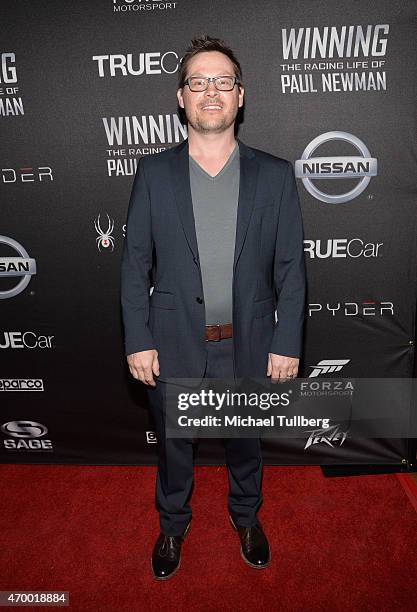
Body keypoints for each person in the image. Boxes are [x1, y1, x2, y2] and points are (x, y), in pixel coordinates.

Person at [121, 35, 306, 580]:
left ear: (240, 96)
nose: (210, 91)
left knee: (245, 443)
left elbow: (292, 268)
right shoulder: (154, 174)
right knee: (176, 448)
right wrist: (138, 337)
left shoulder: (275, 175)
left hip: (248, 343)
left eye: (222, 81)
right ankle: (172, 526)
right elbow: (135, 265)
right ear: (181, 97)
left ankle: (246, 517)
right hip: (174, 343)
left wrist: (286, 342)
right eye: (198, 81)